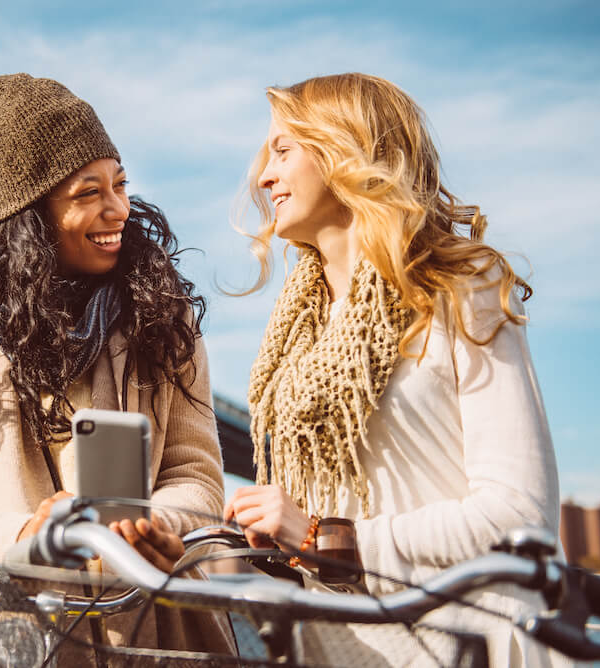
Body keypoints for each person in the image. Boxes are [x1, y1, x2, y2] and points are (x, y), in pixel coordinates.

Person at [0, 73, 234, 666]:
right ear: (30, 214)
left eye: (120, 185)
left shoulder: (165, 322)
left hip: (155, 638)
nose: (118, 208)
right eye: (87, 192)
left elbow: (196, 474)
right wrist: (23, 538)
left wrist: (149, 525)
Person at [222, 73, 565, 666]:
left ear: (348, 148)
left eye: (283, 150)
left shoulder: (460, 290)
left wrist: (322, 537)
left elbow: (518, 517)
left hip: (463, 646)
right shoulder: (295, 339)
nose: (263, 176)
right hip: (339, 648)